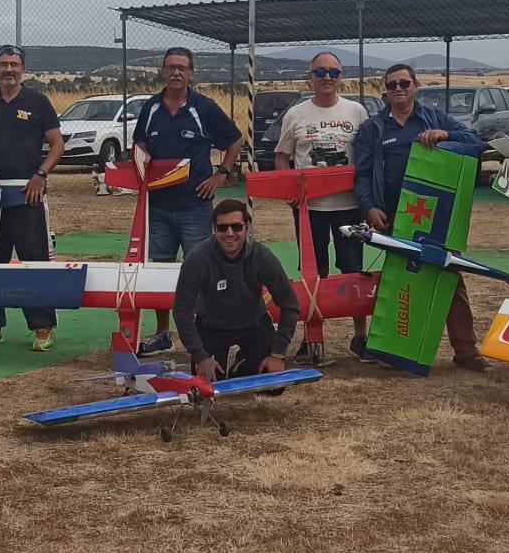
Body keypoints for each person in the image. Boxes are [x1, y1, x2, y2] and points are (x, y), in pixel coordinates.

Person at [353, 63, 490, 372]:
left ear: (416, 86)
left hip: (436, 217)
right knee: (402, 283)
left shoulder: (434, 118)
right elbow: (362, 174)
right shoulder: (373, 128)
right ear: (385, 91)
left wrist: (444, 135)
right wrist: (369, 207)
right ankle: (398, 349)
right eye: (392, 85)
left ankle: (466, 350)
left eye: (404, 83)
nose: (399, 89)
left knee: (449, 277)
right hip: (394, 219)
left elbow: (475, 143)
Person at [131, 47, 244, 356]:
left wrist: (221, 174)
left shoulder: (203, 108)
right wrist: (142, 167)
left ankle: (204, 332)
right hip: (157, 205)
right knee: (159, 268)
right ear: (163, 72)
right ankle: (163, 334)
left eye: (182, 68)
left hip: (195, 204)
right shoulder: (151, 108)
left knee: (200, 269)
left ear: (192, 73)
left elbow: (235, 140)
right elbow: (139, 142)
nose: (176, 73)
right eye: (171, 67)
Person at [0, 46, 65, 353]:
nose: (9, 69)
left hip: (27, 193)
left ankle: (43, 326)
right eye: (3, 64)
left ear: (23, 69)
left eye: (14, 64)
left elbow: (57, 144)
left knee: (33, 261)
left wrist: (41, 174)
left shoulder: (37, 101)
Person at [273, 51, 370, 360]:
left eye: (333, 72)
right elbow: (282, 155)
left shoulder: (357, 111)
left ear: (341, 77)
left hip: (349, 205)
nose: (327, 78)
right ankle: (312, 335)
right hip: (309, 208)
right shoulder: (296, 114)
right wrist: (287, 185)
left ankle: (361, 336)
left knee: (353, 269)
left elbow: (367, 156)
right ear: (310, 77)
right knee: (314, 273)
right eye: (321, 72)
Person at [171, 199, 298, 381]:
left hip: (254, 326)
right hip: (211, 327)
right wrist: (200, 356)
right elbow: (181, 310)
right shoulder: (197, 259)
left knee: (272, 383)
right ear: (214, 229)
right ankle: (224, 369)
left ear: (247, 228)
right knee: (209, 383)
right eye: (222, 228)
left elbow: (290, 304)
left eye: (237, 227)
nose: (230, 233)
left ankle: (242, 367)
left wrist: (278, 354)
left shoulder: (262, 257)